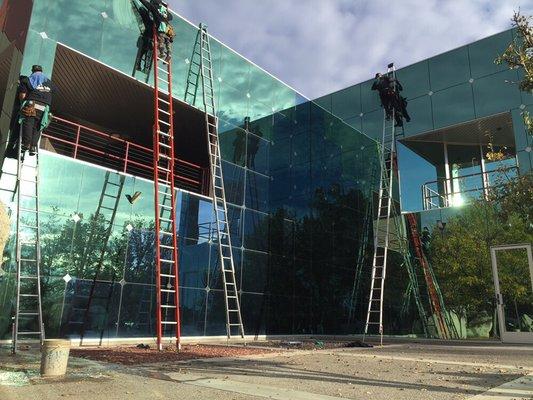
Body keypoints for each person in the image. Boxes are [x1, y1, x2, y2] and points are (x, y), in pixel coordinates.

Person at [17, 65, 54, 156]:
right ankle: (33, 147)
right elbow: (53, 92)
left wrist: (22, 103)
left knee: (28, 123)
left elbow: (22, 96)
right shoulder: (49, 82)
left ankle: (26, 144)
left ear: (33, 71)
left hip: (31, 104)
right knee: (38, 127)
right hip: (44, 108)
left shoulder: (27, 80)